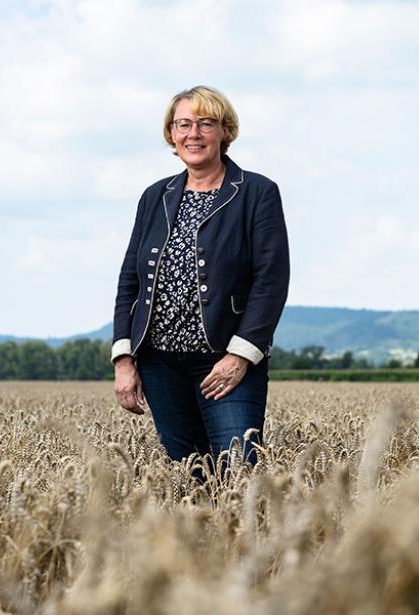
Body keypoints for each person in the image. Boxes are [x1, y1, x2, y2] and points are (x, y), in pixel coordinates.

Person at [111, 85, 289, 472]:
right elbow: (130, 281)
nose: (194, 134)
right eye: (183, 125)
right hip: (159, 365)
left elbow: (271, 281)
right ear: (171, 135)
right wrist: (124, 358)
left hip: (225, 361)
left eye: (205, 123)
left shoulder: (257, 192)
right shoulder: (154, 196)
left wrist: (240, 356)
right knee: (188, 474)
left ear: (225, 131)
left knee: (237, 472)